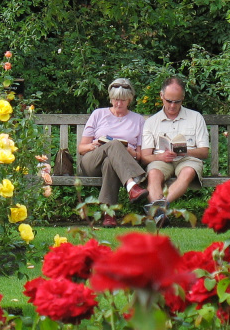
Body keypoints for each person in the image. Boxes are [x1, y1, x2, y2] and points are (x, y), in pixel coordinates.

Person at [141, 76, 209, 227]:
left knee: (188, 171)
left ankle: (159, 209)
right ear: (161, 96)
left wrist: (185, 152)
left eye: (177, 101)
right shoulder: (152, 122)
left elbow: (204, 152)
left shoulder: (195, 117)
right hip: (161, 160)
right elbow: (145, 157)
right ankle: (161, 215)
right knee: (153, 174)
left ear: (183, 98)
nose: (172, 105)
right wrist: (160, 156)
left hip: (187, 159)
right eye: (169, 101)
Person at [77, 78, 150, 209]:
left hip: (118, 164)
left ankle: (108, 213)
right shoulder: (98, 114)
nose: (118, 103)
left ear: (130, 100)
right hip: (93, 161)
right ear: (110, 99)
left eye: (123, 100)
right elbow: (81, 148)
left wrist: (127, 151)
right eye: (115, 99)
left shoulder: (138, 120)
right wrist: (93, 146)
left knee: (110, 163)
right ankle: (132, 184)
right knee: (114, 144)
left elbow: (138, 155)